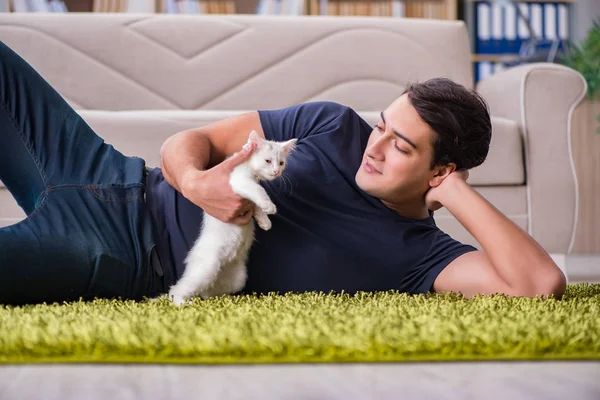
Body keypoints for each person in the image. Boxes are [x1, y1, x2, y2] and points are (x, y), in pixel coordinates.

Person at [0, 40, 566, 306]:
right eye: (382, 126)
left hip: (113, 255)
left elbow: (539, 285)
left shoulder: (422, 258)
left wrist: (457, 195)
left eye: (400, 147)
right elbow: (188, 143)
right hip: (108, 174)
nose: (376, 147)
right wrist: (199, 184)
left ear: (441, 170)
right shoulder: (332, 125)